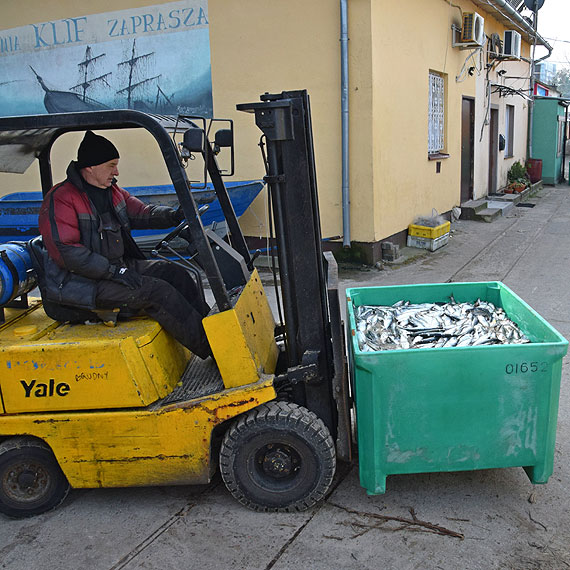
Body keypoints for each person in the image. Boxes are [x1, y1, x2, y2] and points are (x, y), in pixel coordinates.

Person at [38, 130, 212, 359]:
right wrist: (114, 271)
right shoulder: (61, 198)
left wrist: (173, 215)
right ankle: (211, 350)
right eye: (111, 165)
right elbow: (67, 252)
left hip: (113, 269)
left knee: (174, 272)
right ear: (90, 166)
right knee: (157, 292)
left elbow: (141, 212)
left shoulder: (112, 192)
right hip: (79, 283)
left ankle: (214, 331)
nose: (116, 171)